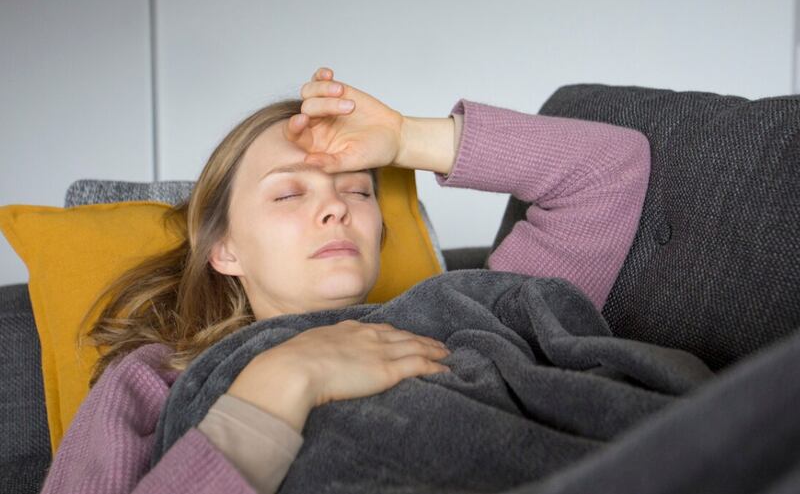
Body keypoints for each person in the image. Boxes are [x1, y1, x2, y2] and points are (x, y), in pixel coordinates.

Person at [39, 67, 650, 494]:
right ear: (224, 249)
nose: (337, 208)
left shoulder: (466, 308)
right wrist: (280, 383)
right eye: (288, 192)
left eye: (357, 188)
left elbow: (607, 172)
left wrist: (409, 138)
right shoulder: (153, 380)